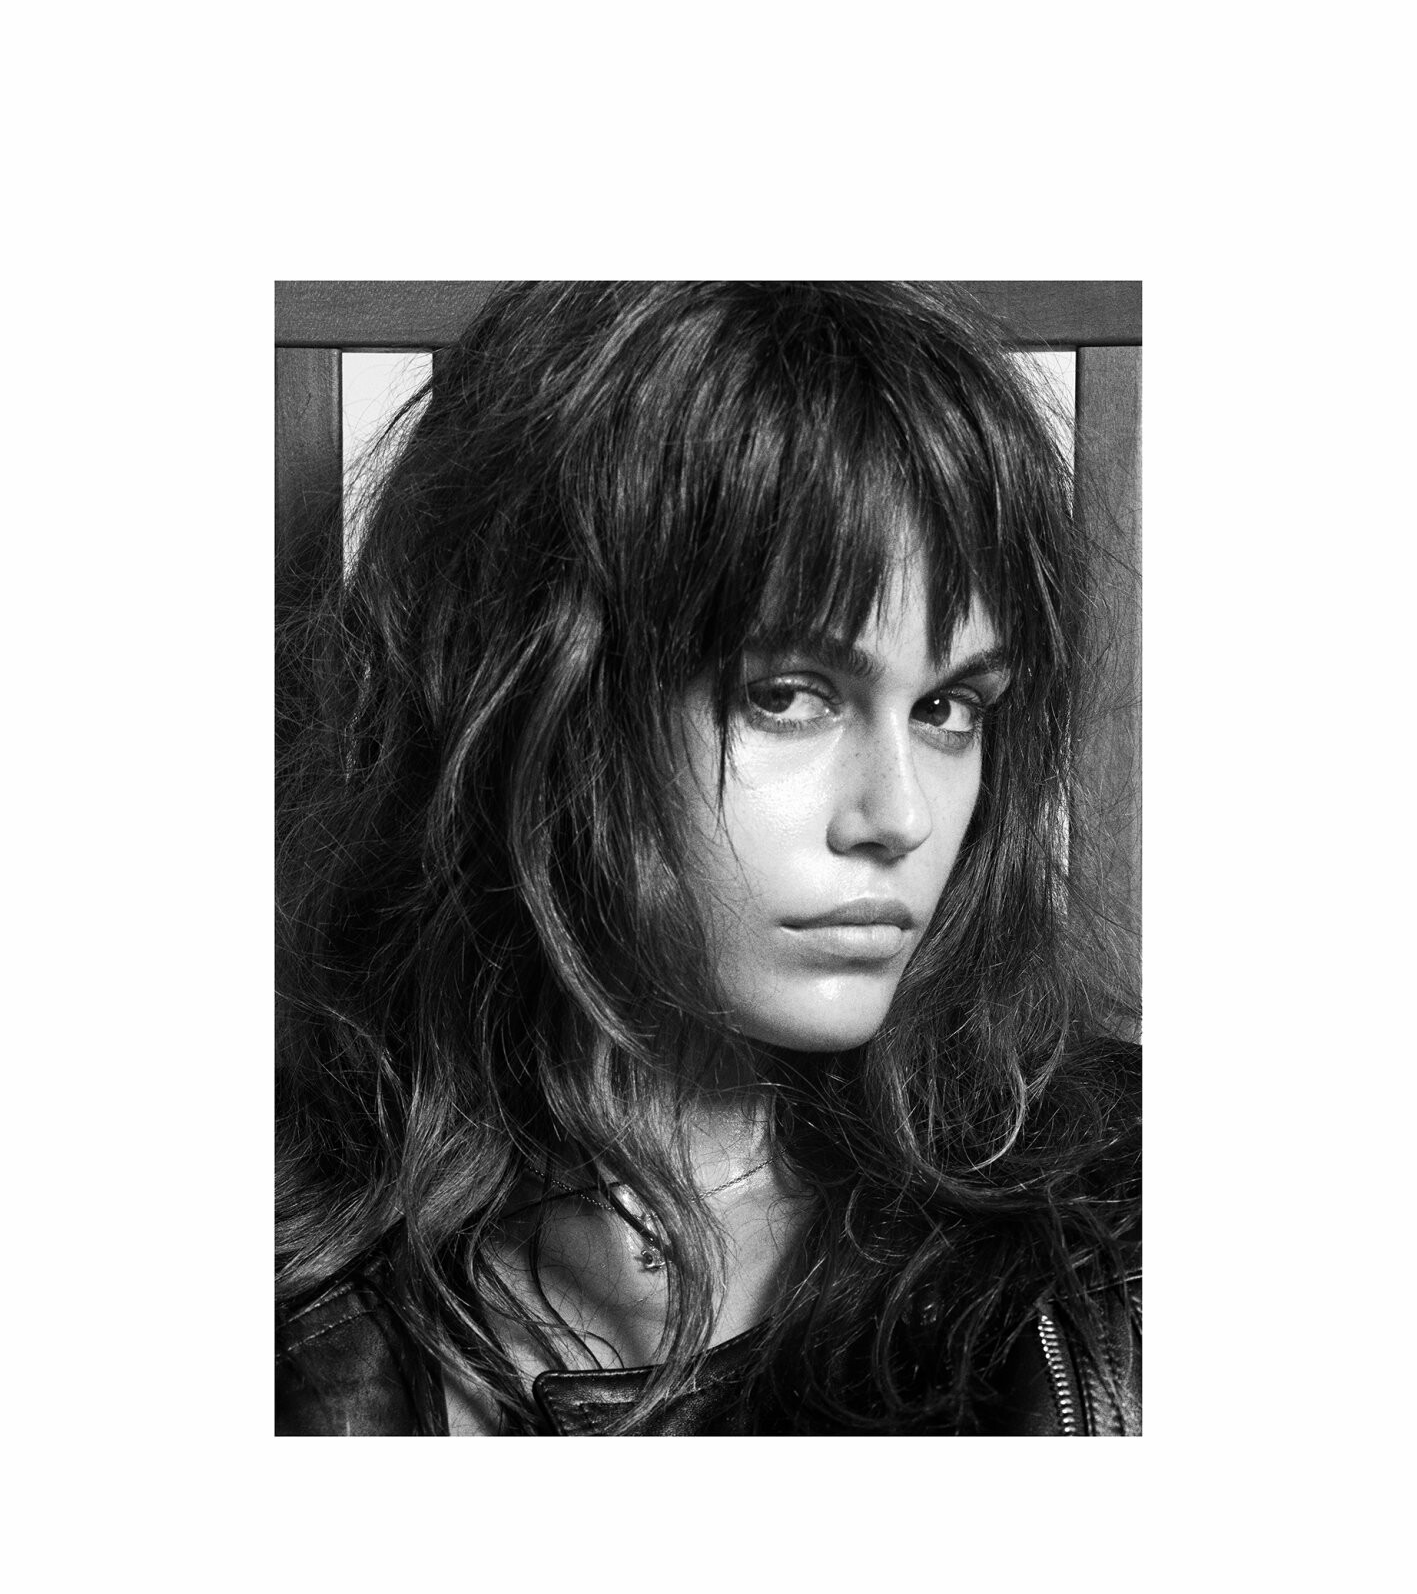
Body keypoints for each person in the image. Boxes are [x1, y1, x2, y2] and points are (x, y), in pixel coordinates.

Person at [275, 280, 1141, 1436]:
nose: (899, 816)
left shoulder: (1127, 1218)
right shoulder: (298, 1280)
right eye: (786, 697)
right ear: (538, 704)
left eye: (946, 709)